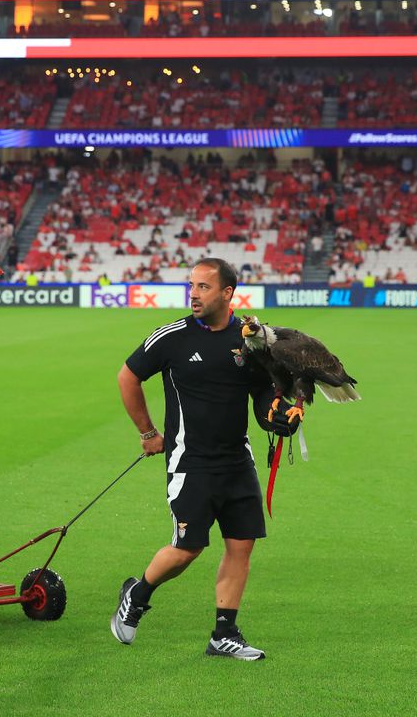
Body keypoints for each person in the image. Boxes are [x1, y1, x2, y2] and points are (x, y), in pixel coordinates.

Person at [111, 257, 295, 661]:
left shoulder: (250, 340)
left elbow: (263, 393)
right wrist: (148, 433)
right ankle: (137, 595)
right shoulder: (171, 337)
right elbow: (128, 377)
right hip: (189, 461)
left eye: (203, 287)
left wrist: (276, 415)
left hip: (237, 460)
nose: (193, 294)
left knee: (241, 545)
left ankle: (223, 634)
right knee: (187, 548)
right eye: (191, 286)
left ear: (227, 293)